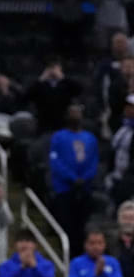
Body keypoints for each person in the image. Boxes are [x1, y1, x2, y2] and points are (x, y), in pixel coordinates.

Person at [50, 104, 99, 256]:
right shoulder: (58, 137)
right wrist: (72, 178)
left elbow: (94, 162)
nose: (75, 115)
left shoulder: (90, 138)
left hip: (84, 188)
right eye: (72, 112)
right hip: (64, 188)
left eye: (78, 113)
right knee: (67, 224)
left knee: (82, 225)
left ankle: (82, 254)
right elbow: (55, 161)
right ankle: (67, 255)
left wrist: (84, 178)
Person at [25, 57, 82, 134]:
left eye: (55, 67)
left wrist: (62, 77)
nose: (53, 71)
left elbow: (79, 90)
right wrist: (41, 79)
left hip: (62, 122)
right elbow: (26, 97)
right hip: (44, 123)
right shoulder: (40, 84)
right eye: (50, 67)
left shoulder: (66, 83)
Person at [106, 94, 134, 204]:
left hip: (129, 180)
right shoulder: (122, 128)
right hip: (117, 177)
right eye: (127, 106)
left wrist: (127, 178)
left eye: (131, 106)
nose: (127, 109)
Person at [110, 201, 134, 277]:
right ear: (119, 220)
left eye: (132, 218)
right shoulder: (109, 242)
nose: (128, 222)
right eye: (125, 218)